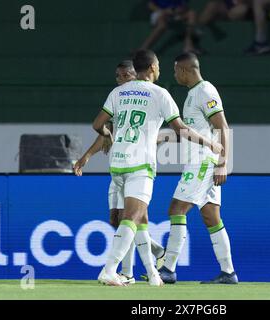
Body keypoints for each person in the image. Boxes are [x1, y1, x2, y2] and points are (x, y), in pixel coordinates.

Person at [92, 49, 224, 286]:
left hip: (117, 163)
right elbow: (182, 128)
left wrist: (107, 135)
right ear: (152, 68)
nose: (164, 70)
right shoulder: (160, 94)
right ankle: (111, 269)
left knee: (140, 217)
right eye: (161, 66)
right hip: (140, 164)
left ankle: (154, 273)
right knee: (135, 216)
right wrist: (210, 143)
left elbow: (98, 124)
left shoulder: (118, 91)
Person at [73, 60, 165, 285]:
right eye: (117, 76)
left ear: (134, 74)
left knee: (131, 217)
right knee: (120, 219)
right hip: (119, 168)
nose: (120, 79)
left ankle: (131, 272)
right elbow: (106, 131)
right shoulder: (120, 97)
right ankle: (153, 255)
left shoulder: (149, 97)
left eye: (123, 75)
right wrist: (86, 156)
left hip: (137, 167)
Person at [157, 52, 238, 284]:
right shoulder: (193, 94)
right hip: (202, 160)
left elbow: (223, 126)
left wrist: (223, 163)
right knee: (211, 216)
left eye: (175, 70)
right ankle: (228, 272)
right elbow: (192, 133)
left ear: (184, 70)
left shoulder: (205, 91)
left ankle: (169, 269)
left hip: (204, 162)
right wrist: (161, 138)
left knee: (176, 209)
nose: (174, 75)